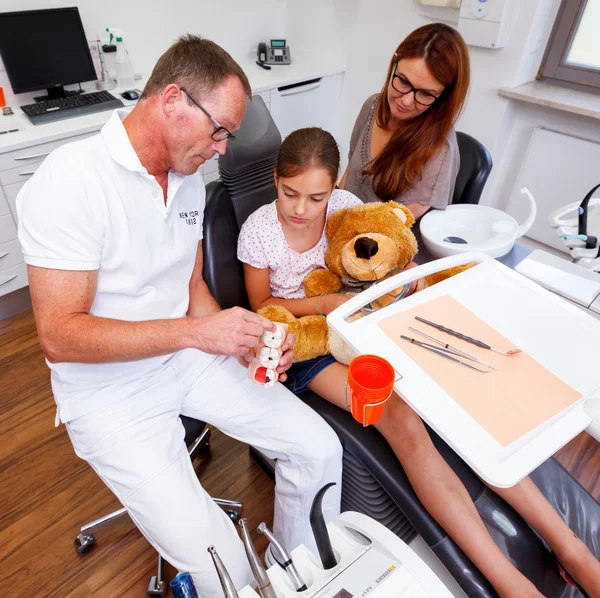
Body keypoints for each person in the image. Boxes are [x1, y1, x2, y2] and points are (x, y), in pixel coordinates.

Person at [17, 35, 343, 597]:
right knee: (227, 568)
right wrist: (200, 332)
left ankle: (299, 583)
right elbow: (59, 335)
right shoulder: (70, 181)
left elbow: (191, 287)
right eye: (219, 130)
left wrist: (241, 337)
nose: (222, 149)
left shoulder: (187, 178)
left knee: (318, 448)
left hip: (184, 359)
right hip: (108, 394)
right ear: (172, 101)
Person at [239, 127, 600, 597]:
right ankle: (505, 579)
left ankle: (570, 547)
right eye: (290, 194)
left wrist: (407, 277)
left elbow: (385, 254)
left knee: (465, 404)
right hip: (310, 346)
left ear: (335, 185)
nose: (302, 209)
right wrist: (326, 306)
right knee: (403, 418)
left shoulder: (347, 207)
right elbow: (263, 303)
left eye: (316, 196)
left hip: (368, 324)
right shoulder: (260, 231)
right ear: (275, 179)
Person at [341, 23, 468, 220]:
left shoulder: (440, 150)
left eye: (426, 93)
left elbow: (395, 227)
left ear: (443, 97)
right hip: (344, 231)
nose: (406, 101)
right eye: (403, 81)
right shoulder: (372, 106)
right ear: (394, 62)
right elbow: (347, 180)